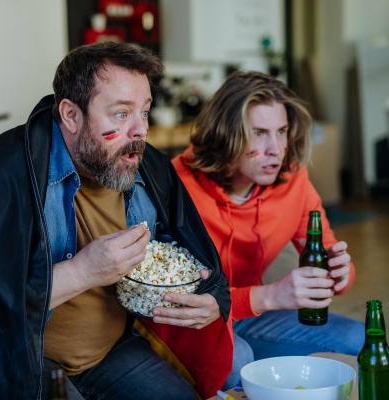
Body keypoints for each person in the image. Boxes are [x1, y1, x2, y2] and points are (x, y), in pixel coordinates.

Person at [0, 41, 231, 400]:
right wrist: (82, 271)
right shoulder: (0, 173)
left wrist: (210, 297)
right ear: (70, 115)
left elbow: (193, 253)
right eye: (121, 114)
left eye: (144, 111)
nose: (140, 129)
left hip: (112, 351)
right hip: (22, 361)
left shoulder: (149, 165)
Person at [145, 71, 362, 390]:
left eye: (282, 131)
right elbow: (173, 300)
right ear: (225, 134)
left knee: (360, 339)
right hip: (186, 323)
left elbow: (326, 249)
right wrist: (269, 296)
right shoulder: (176, 185)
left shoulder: (294, 180)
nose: (276, 148)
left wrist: (340, 272)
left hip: (250, 314)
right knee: (238, 363)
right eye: (259, 133)